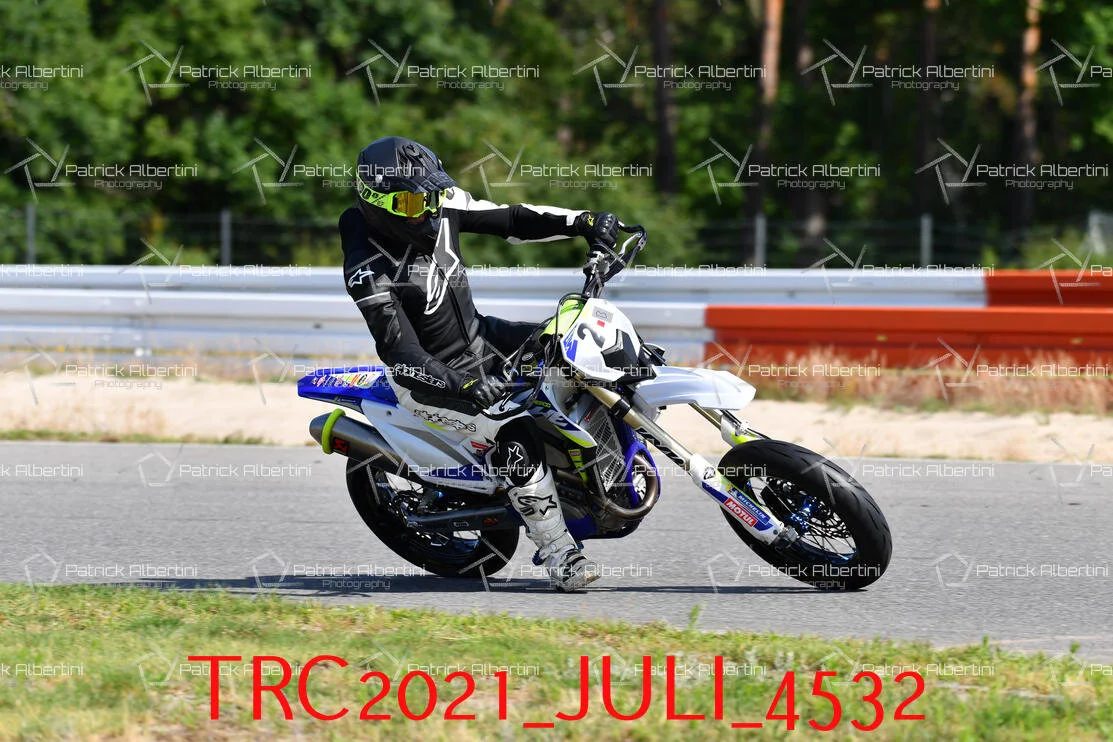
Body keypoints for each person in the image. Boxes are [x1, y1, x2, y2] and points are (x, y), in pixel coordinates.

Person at [339, 136, 619, 591]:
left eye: (432, 197)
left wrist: (580, 222)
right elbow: (400, 354)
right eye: (413, 203)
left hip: (481, 337)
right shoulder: (367, 269)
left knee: (575, 344)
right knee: (516, 430)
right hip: (431, 380)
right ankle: (560, 553)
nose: (428, 211)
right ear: (378, 203)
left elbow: (511, 219)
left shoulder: (438, 203)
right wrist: (464, 386)